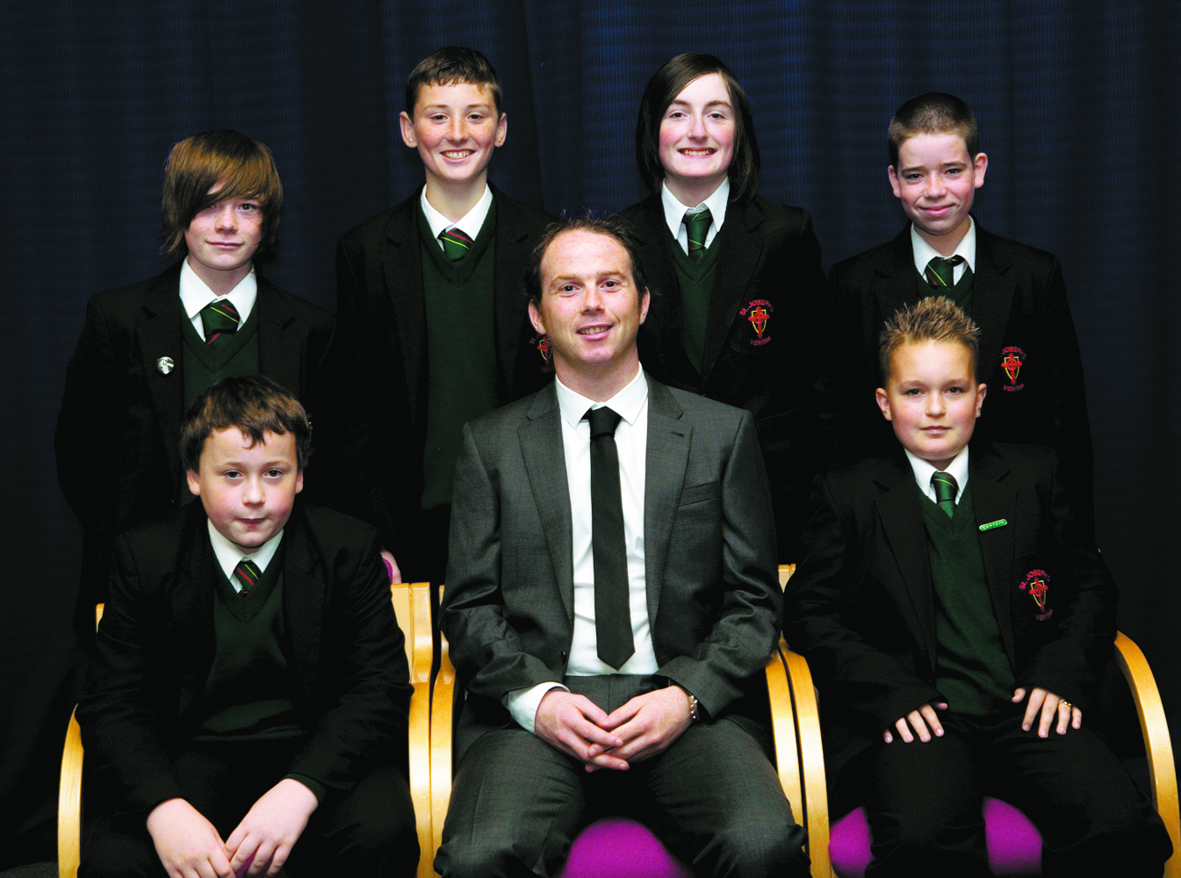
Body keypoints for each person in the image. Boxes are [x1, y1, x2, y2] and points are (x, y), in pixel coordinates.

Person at [435, 216, 808, 878]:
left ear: (643, 302)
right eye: (567, 287)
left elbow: (754, 602)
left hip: (684, 706)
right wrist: (539, 702)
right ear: (536, 315)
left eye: (610, 283)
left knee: (761, 844)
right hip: (539, 711)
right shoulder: (489, 445)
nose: (592, 304)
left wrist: (685, 696)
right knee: (478, 856)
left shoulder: (719, 435)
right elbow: (468, 607)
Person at [786, 297, 1170, 876]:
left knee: (1119, 828)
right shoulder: (848, 493)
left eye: (954, 390)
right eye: (914, 392)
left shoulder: (1035, 475)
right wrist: (889, 691)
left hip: (1027, 710)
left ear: (981, 398)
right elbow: (809, 613)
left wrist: (1059, 674)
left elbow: (1090, 588)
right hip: (920, 718)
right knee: (921, 845)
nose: (935, 409)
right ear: (884, 403)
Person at [77, 374, 417, 878]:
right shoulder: (145, 556)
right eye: (232, 475)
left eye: (275, 473)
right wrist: (163, 808)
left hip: (315, 752)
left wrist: (301, 790)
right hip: (185, 757)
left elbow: (378, 688)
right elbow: (113, 703)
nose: (255, 495)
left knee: (381, 833)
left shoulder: (347, 548)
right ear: (194, 477)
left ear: (300, 476)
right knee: (115, 863)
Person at [56, 129, 334, 648]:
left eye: (246, 206)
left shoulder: (311, 331)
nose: (227, 224)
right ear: (178, 211)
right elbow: (79, 457)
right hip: (143, 596)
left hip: (279, 593)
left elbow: (332, 465)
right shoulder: (118, 320)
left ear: (267, 219)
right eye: (208, 206)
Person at [822, 92, 1094, 531]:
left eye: (952, 171)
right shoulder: (853, 284)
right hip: (891, 521)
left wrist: (1075, 534)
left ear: (978, 169)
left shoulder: (1033, 276)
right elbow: (837, 422)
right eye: (915, 175)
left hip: (1015, 515)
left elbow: (1065, 421)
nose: (934, 190)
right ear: (894, 180)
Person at [332, 46, 552, 585]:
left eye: (475, 116)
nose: (457, 134)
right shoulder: (366, 252)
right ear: (408, 130)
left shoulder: (547, 244)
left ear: (501, 129)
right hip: (409, 530)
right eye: (437, 117)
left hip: (531, 523)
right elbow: (353, 410)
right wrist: (373, 533)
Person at [618, 52, 827, 563]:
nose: (698, 131)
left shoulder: (786, 234)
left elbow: (819, 374)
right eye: (678, 113)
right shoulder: (617, 241)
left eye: (716, 114)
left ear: (739, 132)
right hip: (653, 491)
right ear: (652, 129)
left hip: (772, 490)